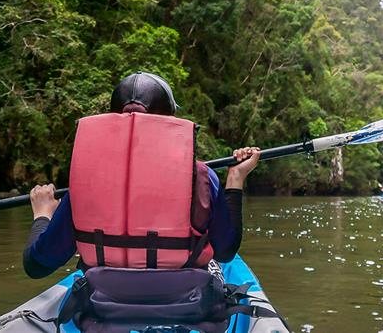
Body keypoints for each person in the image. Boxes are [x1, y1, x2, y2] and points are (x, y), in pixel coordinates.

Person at [23, 71, 260, 279]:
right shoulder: (202, 178)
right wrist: (235, 179)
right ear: (169, 121)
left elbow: (37, 266)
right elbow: (225, 251)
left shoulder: (86, 182)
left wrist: (43, 214)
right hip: (183, 303)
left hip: (103, 304)